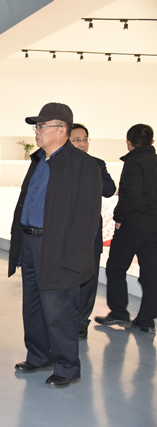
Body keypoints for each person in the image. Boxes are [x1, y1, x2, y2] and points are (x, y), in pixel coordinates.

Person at [8, 103, 102, 388]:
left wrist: (73, 261)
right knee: (33, 305)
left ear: (61, 130)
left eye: (41, 126)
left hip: (57, 248)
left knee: (59, 311)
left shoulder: (84, 165)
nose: (36, 132)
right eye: (36, 127)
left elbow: (86, 218)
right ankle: (39, 356)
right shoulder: (39, 161)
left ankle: (67, 367)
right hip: (31, 243)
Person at [95, 124, 157, 334]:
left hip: (133, 225)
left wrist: (119, 217)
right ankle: (147, 319)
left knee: (116, 267)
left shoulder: (133, 162)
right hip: (154, 227)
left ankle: (119, 312)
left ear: (129, 143)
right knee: (150, 274)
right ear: (152, 142)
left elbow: (131, 196)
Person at [69, 123, 117, 339]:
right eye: (76, 140)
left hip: (91, 230)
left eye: (84, 139)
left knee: (89, 278)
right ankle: (65, 319)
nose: (82, 144)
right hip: (67, 229)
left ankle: (81, 322)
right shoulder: (60, 165)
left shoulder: (97, 164)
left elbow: (109, 190)